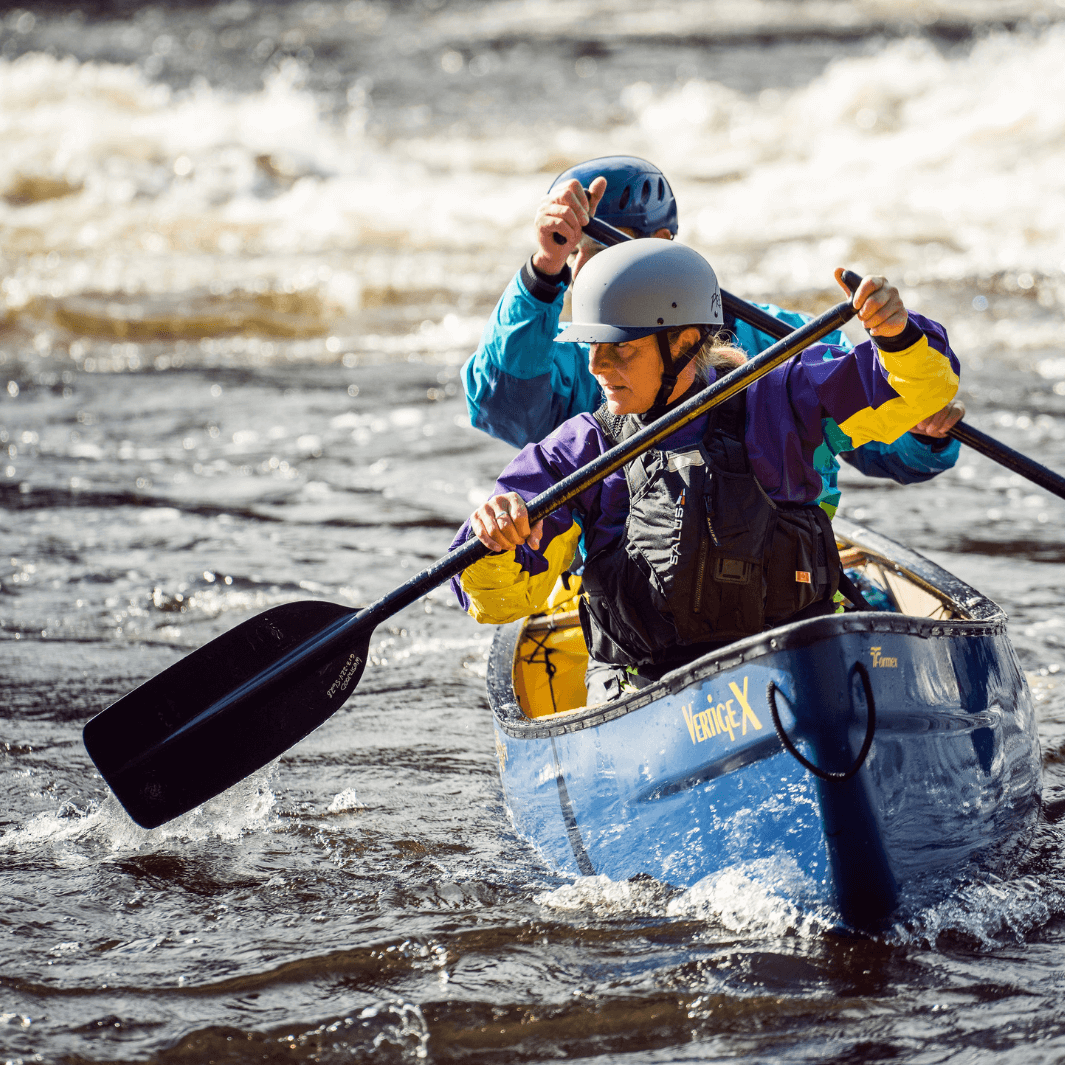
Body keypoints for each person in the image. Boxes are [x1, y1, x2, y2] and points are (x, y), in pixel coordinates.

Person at [451, 241, 961, 703]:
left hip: (794, 665)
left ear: (684, 342)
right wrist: (494, 540)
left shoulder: (782, 399)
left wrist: (898, 336)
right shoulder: (582, 450)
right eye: (591, 346)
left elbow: (915, 391)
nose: (596, 367)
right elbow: (497, 602)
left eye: (620, 348)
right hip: (644, 693)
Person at [461, 156, 963, 517]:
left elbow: (878, 437)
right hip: (634, 583)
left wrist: (919, 433)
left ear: (660, 244)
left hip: (777, 573)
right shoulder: (577, 356)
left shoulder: (779, 341)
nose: (579, 271)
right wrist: (543, 269)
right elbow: (503, 406)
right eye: (570, 253)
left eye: (594, 249)